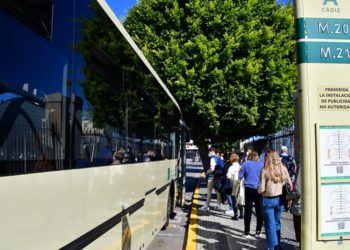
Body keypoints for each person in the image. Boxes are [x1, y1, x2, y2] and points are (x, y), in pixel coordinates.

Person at [258, 150, 292, 250]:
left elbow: (261, 189)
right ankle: (278, 246)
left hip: (267, 200)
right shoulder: (283, 168)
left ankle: (272, 248)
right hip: (280, 200)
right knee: (277, 223)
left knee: (270, 225)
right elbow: (289, 183)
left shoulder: (265, 170)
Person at [238, 150, 264, 238]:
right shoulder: (261, 165)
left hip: (248, 189)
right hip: (259, 189)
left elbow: (240, 176)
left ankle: (246, 232)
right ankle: (258, 231)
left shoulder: (245, 164)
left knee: (248, 211)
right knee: (259, 210)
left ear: (249, 156)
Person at [286, 163, 301, 243]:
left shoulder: (301, 166)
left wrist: (288, 197)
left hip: (299, 206)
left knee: (299, 234)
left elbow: (298, 190)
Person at [225, 152, 242, 220]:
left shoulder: (231, 167)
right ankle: (242, 214)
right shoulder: (240, 166)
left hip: (234, 184)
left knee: (234, 199)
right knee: (240, 199)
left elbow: (228, 176)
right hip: (241, 184)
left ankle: (236, 215)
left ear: (231, 159)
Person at [280, 145, 297, 211]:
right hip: (290, 177)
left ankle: (284, 206)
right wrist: (293, 175)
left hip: (282, 177)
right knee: (289, 191)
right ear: (286, 150)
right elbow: (295, 167)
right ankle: (289, 206)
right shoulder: (291, 158)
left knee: (282, 191)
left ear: (281, 150)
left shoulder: (279, 157)